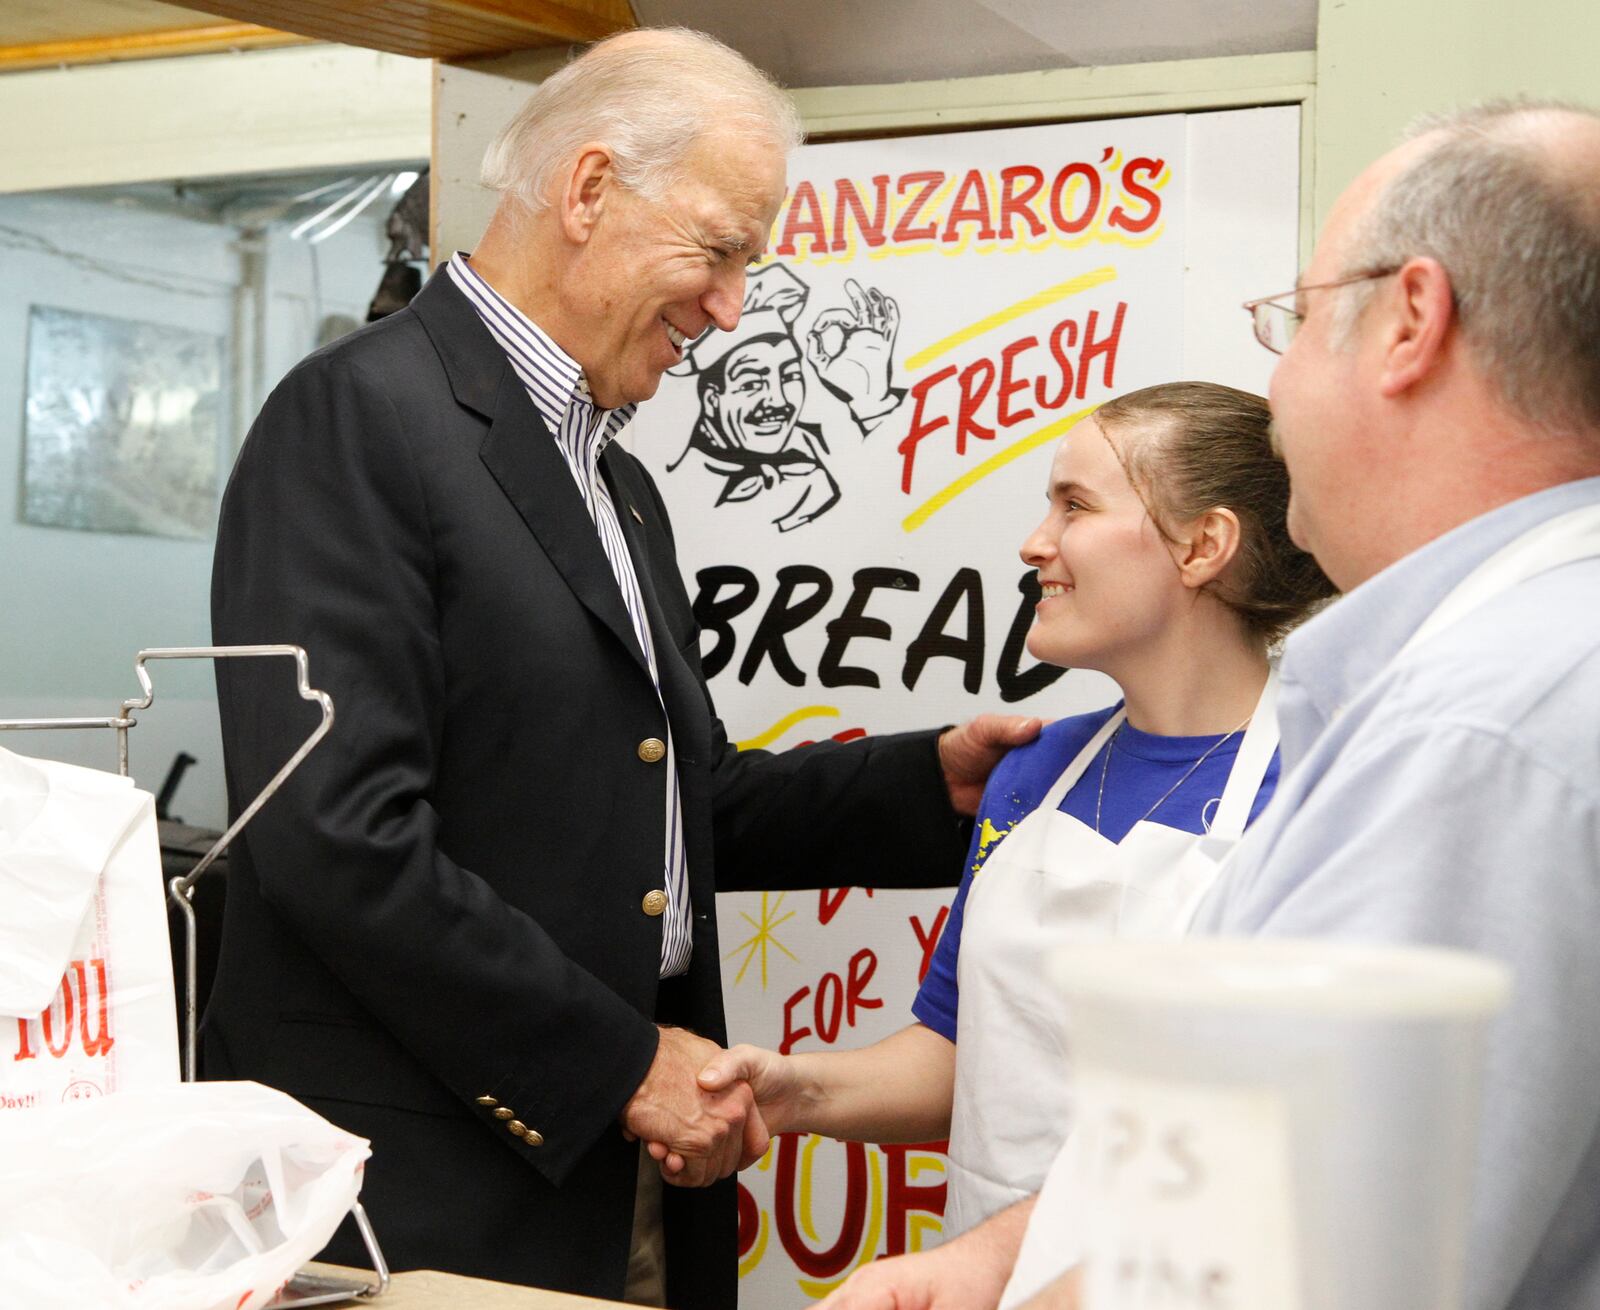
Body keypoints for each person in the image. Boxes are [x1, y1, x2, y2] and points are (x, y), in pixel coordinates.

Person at [204, 28, 1039, 1309]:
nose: (729, 308)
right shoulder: (357, 417)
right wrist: (620, 1063)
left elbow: (665, 799)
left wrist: (929, 782)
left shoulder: (619, 478)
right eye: (717, 250)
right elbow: (336, 835)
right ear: (588, 190)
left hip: (616, 1170)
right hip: (433, 1182)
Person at [814, 99, 1600, 1310]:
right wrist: (984, 1260)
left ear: (1410, 322)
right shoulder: (1476, 679)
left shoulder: (1468, 734)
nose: (1276, 385)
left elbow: (1297, 1257)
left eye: (1293, 322)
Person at [684, 382, 1333, 1234]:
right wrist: (792, 1090)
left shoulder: (1321, 794)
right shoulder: (1035, 770)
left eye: (1076, 507)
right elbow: (965, 1055)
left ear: (1202, 545)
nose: (1036, 544)